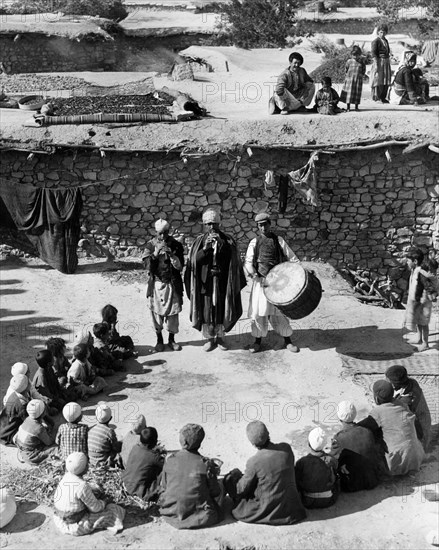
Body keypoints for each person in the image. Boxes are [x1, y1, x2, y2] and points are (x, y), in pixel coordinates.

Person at [184, 208, 246, 352]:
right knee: (207, 311)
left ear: (219, 224)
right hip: (206, 282)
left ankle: (221, 338)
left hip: (223, 282)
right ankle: (210, 339)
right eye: (208, 224)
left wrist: (222, 245)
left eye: (214, 224)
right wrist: (206, 249)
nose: (212, 227)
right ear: (205, 225)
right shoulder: (199, 241)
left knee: (221, 309)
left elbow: (233, 259)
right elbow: (195, 261)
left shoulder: (228, 239)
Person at [223, 421, 306, 525]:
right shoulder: (286, 448)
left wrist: (233, 477)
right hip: (291, 509)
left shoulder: (254, 461)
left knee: (230, 479)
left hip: (267, 506)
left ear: (252, 443)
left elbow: (241, 489)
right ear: (268, 434)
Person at [244, 212, 300, 353]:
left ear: (270, 224)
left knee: (279, 312)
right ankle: (257, 342)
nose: (263, 228)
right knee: (258, 312)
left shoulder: (278, 240)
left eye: (265, 224)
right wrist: (254, 274)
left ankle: (287, 340)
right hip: (260, 283)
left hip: (277, 284)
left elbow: (292, 258)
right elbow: (248, 262)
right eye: (260, 225)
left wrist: (301, 270)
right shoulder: (254, 242)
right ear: (257, 227)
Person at [159, 423, 223, 529]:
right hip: (201, 517)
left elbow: (165, 486)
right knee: (221, 488)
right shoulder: (205, 464)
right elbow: (215, 492)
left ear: (183, 441)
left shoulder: (170, 460)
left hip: (171, 514)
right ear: (199, 443)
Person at [357, 380, 425, 476]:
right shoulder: (403, 405)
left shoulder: (378, 412)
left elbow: (361, 426)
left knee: (372, 435)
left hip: (394, 464)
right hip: (416, 458)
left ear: (376, 398)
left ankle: (392, 468)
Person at [53, 452, 125, 536]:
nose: (88, 466)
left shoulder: (66, 476)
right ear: (83, 468)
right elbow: (96, 508)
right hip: (76, 525)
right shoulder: (82, 485)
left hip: (59, 519)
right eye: (86, 465)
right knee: (113, 511)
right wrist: (105, 501)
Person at [143, 218, 185, 352]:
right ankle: (159, 340)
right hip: (156, 284)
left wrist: (171, 254)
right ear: (156, 233)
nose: (162, 236)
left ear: (169, 231)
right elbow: (147, 266)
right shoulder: (150, 245)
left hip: (171, 284)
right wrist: (156, 253)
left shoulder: (176, 245)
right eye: (159, 233)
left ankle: (171, 340)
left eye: (165, 233)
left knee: (173, 313)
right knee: (156, 313)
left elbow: (180, 266)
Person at [334, 400, 388, 478]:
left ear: (339, 417)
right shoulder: (367, 432)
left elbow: (336, 461)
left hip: (351, 485)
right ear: (355, 414)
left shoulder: (338, 438)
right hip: (372, 479)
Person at [385, 365, 432, 451]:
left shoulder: (405, 401)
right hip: (420, 421)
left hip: (419, 434)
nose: (385, 381)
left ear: (394, 384)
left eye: (387, 380)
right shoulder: (411, 382)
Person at [295, 427, 339, 509]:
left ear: (309, 444)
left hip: (307, 501)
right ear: (324, 444)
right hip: (329, 500)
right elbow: (336, 470)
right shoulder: (331, 459)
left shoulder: (301, 462)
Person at [404, 247, 437, 351]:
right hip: (417, 300)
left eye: (408, 261)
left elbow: (427, 286)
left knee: (423, 323)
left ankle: (425, 343)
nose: (407, 263)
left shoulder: (421, 272)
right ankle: (419, 338)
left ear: (415, 261)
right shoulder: (414, 270)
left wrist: (430, 296)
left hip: (423, 301)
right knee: (418, 320)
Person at [121, 427, 164, 501]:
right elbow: (167, 465)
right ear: (155, 441)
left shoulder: (135, 447)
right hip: (140, 492)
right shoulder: (154, 457)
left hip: (126, 484)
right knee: (162, 470)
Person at [14, 399, 54, 465]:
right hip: (31, 456)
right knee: (54, 448)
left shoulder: (27, 419)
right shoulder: (39, 429)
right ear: (43, 413)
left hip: (21, 447)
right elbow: (49, 442)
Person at [0, 374, 31, 445]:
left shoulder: (14, 394)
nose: (30, 383)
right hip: (8, 433)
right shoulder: (21, 404)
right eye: (28, 383)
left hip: (3, 427)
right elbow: (28, 422)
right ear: (25, 387)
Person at [340, 45, 366, 111]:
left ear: (360, 55)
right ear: (351, 55)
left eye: (357, 55)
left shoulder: (362, 62)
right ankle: (348, 107)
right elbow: (346, 69)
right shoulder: (349, 61)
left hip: (358, 80)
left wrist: (361, 76)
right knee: (349, 93)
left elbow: (363, 70)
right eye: (354, 55)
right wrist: (347, 77)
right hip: (349, 80)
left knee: (357, 93)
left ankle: (356, 107)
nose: (355, 57)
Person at [370, 23, 391, 103]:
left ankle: (383, 97)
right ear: (378, 32)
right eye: (381, 32)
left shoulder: (386, 40)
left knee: (385, 80)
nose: (382, 34)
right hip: (379, 62)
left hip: (386, 62)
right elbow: (373, 53)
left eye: (384, 32)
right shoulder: (375, 41)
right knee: (378, 79)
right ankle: (377, 97)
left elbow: (387, 52)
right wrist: (376, 64)